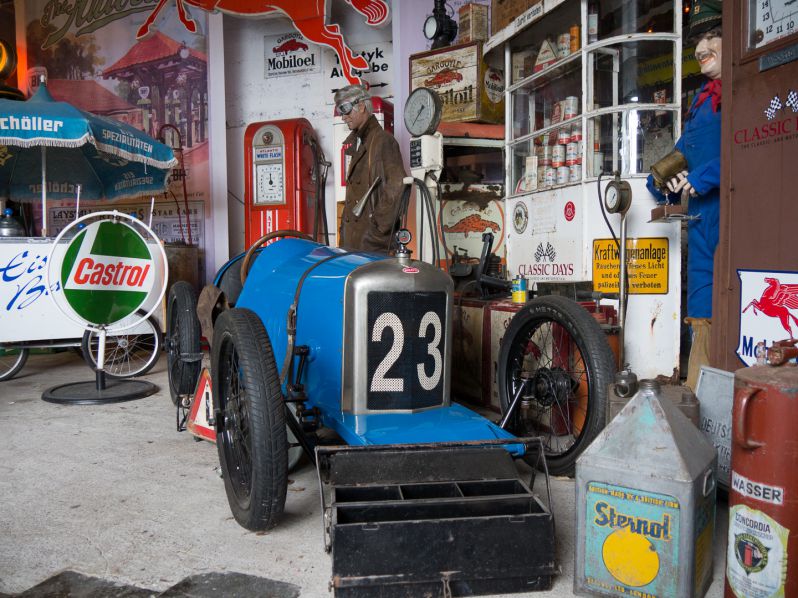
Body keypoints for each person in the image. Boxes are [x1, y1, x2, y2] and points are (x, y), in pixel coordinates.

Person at [646, 0, 722, 391]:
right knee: (701, 308)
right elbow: (684, 150)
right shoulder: (701, 100)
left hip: (734, 214)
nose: (701, 48)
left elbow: (758, 151)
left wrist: (707, 175)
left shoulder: (749, 95)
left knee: (735, 307)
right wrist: (662, 178)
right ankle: (700, 403)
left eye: (712, 37)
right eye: (698, 40)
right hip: (702, 220)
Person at [335, 84, 407, 252]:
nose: (343, 117)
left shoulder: (382, 141)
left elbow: (396, 187)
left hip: (371, 245)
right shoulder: (360, 142)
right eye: (340, 111)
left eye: (345, 109)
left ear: (361, 106)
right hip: (355, 243)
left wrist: (376, 234)